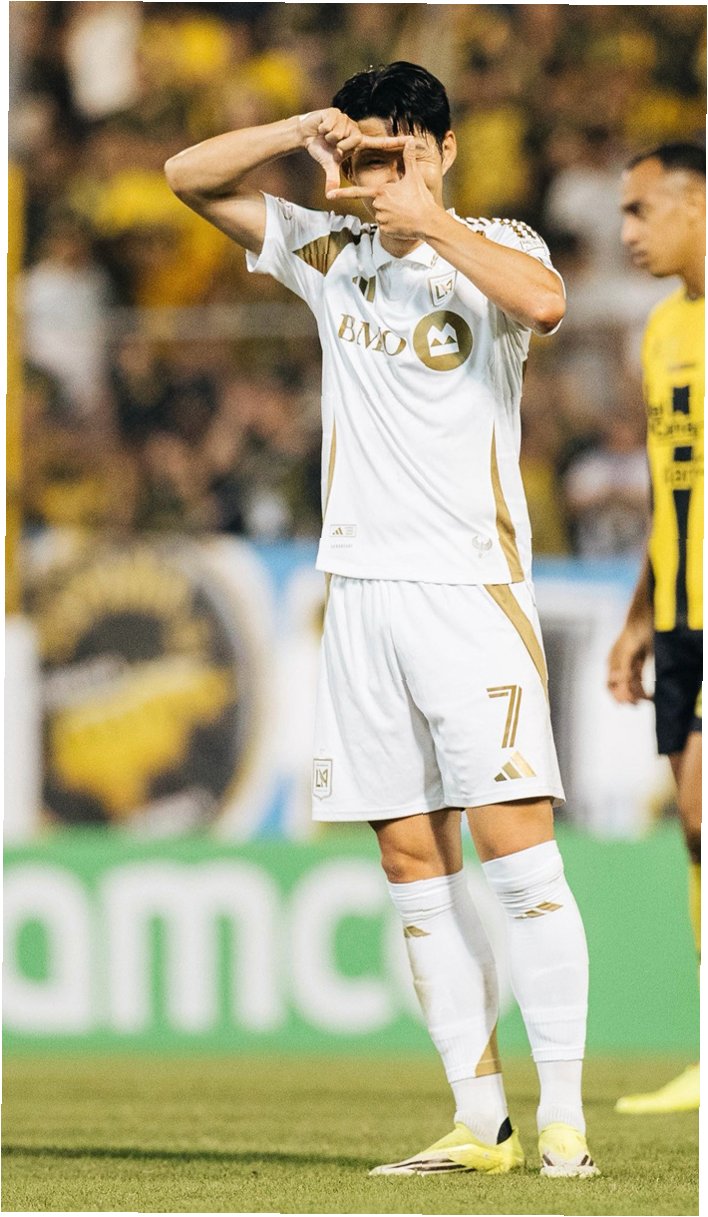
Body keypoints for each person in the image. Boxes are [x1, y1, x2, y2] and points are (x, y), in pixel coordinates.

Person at [166, 60, 598, 1178]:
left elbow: (547, 304)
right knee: (410, 856)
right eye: (366, 151)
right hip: (357, 591)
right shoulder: (329, 252)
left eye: (402, 150)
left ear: (444, 151)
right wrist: (295, 132)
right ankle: (479, 1120)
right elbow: (185, 175)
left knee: (516, 852)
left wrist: (428, 220)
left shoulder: (496, 244)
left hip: (469, 590)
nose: (381, 173)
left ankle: (566, 1122)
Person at [608, 141, 704, 1115]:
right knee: (691, 824)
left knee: (705, 810)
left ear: (696, 203)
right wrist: (639, 616)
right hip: (677, 614)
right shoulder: (664, 327)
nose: (628, 231)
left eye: (641, 210)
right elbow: (668, 485)